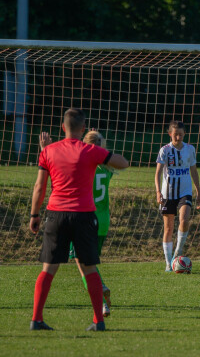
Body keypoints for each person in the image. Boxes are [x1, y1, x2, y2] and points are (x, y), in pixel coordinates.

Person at [30, 109, 128, 331]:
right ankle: (98, 321)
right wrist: (101, 152)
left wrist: (34, 215)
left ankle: (36, 319)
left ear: (63, 128)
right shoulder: (91, 150)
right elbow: (124, 163)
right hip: (84, 216)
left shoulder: (48, 151)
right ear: (83, 129)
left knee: (48, 268)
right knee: (90, 267)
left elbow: (39, 186)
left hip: (56, 214)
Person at [39, 130, 115, 318]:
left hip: (85, 217)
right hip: (104, 221)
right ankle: (101, 295)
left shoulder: (84, 166)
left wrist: (45, 150)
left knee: (83, 263)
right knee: (88, 260)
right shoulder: (107, 169)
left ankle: (102, 300)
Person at [155, 120, 200, 272]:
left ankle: (178, 252)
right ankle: (168, 263)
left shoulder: (190, 149)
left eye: (181, 135)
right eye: (175, 135)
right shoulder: (164, 150)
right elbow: (157, 174)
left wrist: (199, 193)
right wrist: (158, 191)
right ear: (170, 134)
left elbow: (194, 171)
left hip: (185, 191)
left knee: (184, 220)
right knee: (168, 228)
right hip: (168, 193)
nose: (178, 138)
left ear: (184, 134)